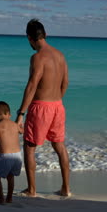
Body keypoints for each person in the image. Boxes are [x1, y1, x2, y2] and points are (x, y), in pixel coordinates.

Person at [16, 19, 70, 197]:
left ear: (29, 38)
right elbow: (65, 83)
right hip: (58, 106)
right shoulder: (60, 55)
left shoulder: (37, 57)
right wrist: (56, 100)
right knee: (60, 147)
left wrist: (21, 113)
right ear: (45, 35)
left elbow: (32, 86)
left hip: (41, 107)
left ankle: (31, 190)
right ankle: (65, 189)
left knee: (29, 147)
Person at [0, 101, 23, 204]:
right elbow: (22, 132)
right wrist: (22, 125)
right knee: (10, 176)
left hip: (6, 156)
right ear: (9, 114)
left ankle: (1, 199)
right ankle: (9, 198)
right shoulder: (15, 125)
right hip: (18, 156)